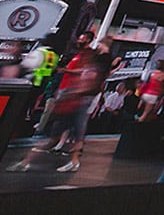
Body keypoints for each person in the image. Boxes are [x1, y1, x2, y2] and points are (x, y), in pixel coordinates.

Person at [9, 32, 105, 173]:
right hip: (67, 99)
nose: (79, 39)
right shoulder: (78, 55)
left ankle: (28, 162)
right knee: (56, 137)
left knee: (69, 136)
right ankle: (29, 162)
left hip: (74, 102)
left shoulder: (87, 56)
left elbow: (87, 76)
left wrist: (69, 80)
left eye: (82, 38)